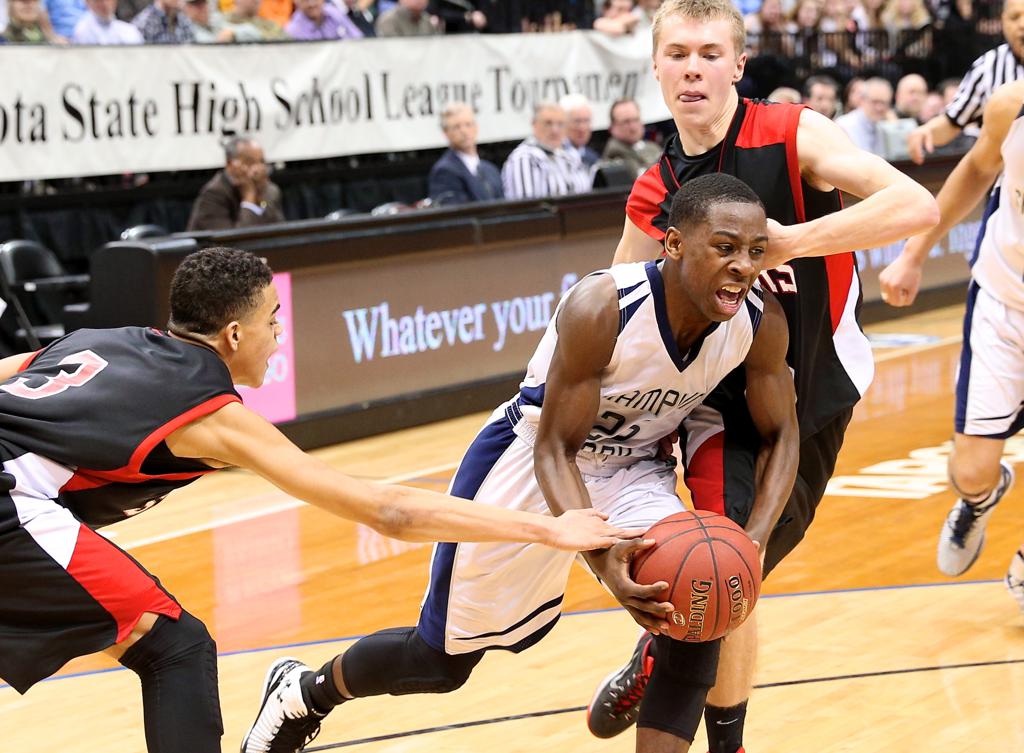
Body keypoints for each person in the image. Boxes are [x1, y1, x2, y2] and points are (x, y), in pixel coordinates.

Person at [240, 172, 800, 753]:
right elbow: (554, 448)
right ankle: (303, 693)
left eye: (756, 252)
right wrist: (604, 562)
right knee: (439, 664)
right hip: (531, 461)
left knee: (696, 604)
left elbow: (782, 435)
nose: (744, 265)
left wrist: (753, 542)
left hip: (634, 465)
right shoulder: (603, 306)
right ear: (675, 244)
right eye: (726, 247)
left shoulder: (759, 323)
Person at [0, 247, 630, 753]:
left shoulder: (99, 342)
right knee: (176, 646)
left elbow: (13, 368)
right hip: (11, 502)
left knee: (147, 636)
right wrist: (548, 530)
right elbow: (385, 510)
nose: (279, 335)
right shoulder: (209, 412)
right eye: (274, 321)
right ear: (234, 333)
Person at [584, 1, 938, 751]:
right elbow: (612, 307)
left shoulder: (790, 133)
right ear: (654, 67)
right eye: (676, 52)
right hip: (719, 406)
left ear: (738, 66)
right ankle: (722, 731)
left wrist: (786, 244)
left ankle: (662, 652)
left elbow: (916, 203)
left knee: (742, 570)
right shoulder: (655, 191)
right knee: (723, 559)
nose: (692, 67)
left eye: (710, 53)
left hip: (817, 380)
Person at [878, 79, 1024, 611]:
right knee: (970, 472)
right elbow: (978, 171)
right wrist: (915, 252)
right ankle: (981, 498)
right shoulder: (1012, 103)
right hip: (1005, 304)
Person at [907, 0, 1024, 164]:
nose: (1022, 24)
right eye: (1014, 17)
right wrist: (927, 130)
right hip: (1006, 175)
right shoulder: (988, 66)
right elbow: (953, 120)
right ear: (1003, 21)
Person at [187, 136, 285, 231]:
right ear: (229, 164)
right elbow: (234, 243)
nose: (258, 169)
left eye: (261, 162)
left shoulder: (270, 191)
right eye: (249, 162)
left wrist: (260, 197)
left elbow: (278, 233)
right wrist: (249, 198)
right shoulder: (214, 194)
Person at [501, 101, 592, 199]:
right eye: (548, 123)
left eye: (560, 124)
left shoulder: (568, 156)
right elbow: (526, 208)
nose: (555, 130)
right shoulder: (524, 158)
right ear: (534, 124)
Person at [427, 102, 503, 205]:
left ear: (476, 127)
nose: (464, 131)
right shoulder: (444, 172)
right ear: (446, 133)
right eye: (456, 127)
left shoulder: (490, 169)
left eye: (468, 124)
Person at [602, 98, 664, 177]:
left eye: (636, 120)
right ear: (612, 127)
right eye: (626, 122)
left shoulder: (652, 147)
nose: (633, 127)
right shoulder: (614, 153)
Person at [835, 76, 894, 155]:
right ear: (862, 100)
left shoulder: (884, 127)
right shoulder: (844, 125)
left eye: (884, 103)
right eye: (875, 102)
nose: (879, 108)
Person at [561, 93, 601, 169]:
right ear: (564, 124)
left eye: (586, 121)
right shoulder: (555, 158)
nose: (582, 128)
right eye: (577, 121)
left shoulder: (593, 158)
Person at [71, 0, 143, 42]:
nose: (104, 3)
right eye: (98, 0)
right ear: (88, 2)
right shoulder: (83, 30)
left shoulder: (129, 30)